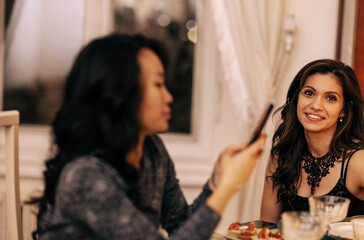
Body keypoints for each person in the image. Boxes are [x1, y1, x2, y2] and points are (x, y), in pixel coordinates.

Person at [30, 33, 266, 240]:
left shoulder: (152, 150)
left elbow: (181, 225)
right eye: (158, 84)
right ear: (122, 93)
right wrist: (227, 188)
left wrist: (217, 181)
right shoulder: (86, 175)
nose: (169, 97)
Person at [260, 59, 364, 223]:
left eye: (330, 98)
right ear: (297, 99)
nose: (316, 105)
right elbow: (266, 229)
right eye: (309, 93)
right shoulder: (280, 157)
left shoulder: (358, 161)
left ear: (344, 110)